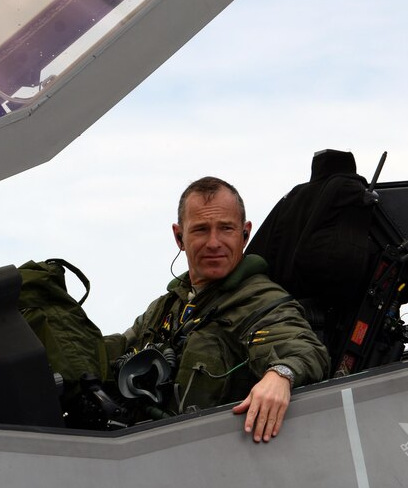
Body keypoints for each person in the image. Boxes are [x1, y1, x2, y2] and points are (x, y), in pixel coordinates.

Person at [105, 177, 329, 442]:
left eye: (226, 229)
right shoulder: (167, 306)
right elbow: (118, 349)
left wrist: (280, 375)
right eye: (201, 230)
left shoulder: (259, 301)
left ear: (245, 234)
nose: (214, 243)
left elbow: (305, 349)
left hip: (216, 456)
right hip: (150, 449)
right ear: (179, 237)